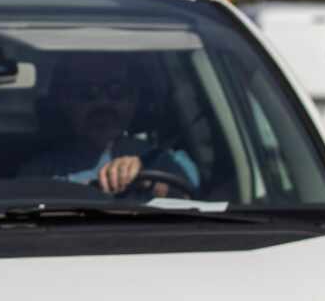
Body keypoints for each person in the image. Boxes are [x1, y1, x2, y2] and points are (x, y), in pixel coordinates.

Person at [19, 53, 199, 196]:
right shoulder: (40, 172)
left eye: (117, 91)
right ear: (64, 103)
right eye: (86, 93)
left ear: (136, 100)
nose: (103, 104)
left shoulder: (167, 161)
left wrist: (149, 180)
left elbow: (195, 206)